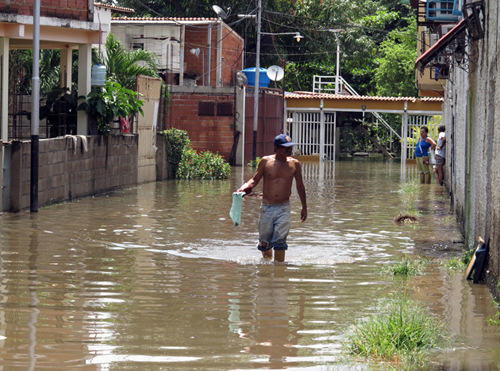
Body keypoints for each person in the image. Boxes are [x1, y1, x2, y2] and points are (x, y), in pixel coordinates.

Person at [237, 134, 307, 262]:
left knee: (280, 242)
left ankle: (279, 273)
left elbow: (300, 186)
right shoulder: (266, 161)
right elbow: (255, 180)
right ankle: (267, 267)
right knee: (264, 243)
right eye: (285, 148)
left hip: (284, 208)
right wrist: (243, 189)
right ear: (276, 148)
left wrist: (304, 207)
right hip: (267, 208)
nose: (289, 150)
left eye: (290, 147)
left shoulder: (295, 164)